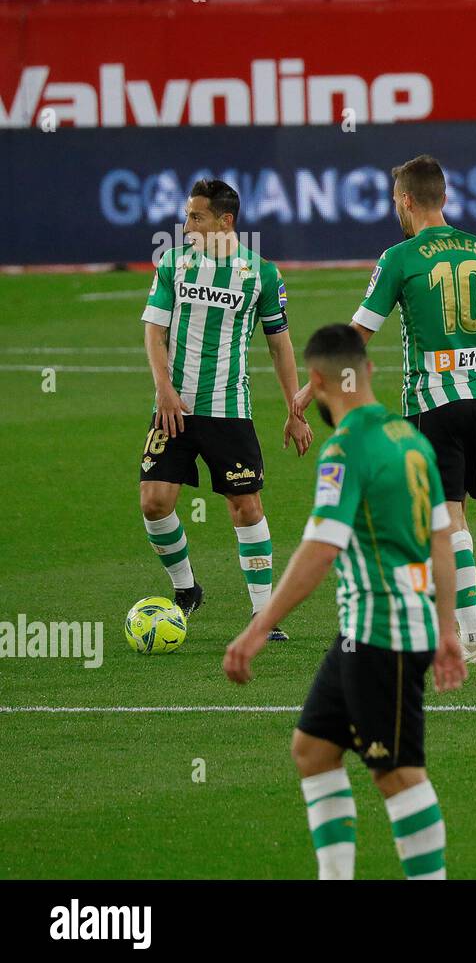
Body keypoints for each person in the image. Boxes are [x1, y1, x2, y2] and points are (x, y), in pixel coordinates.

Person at [225, 323, 467, 879]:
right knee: (313, 749)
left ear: (314, 380)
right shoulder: (412, 440)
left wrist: (261, 625)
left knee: (397, 774)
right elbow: (441, 540)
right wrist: (448, 626)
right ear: (370, 368)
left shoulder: (344, 448)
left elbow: (320, 548)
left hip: (384, 630)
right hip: (370, 629)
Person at [296, 155, 476, 665]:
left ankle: (470, 637)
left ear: (406, 200)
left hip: (434, 402)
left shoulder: (400, 257)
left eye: (394, 202)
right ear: (443, 197)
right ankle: (438, 619)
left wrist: (308, 387)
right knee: (451, 511)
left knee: (443, 517)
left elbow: (357, 335)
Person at [140, 178, 313, 640]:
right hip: (173, 408)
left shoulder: (262, 273)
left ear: (225, 221)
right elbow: (154, 332)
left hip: (228, 408)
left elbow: (281, 346)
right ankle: (187, 588)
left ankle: (264, 615)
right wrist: (164, 389)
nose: (186, 225)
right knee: (154, 502)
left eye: (195, 217)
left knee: (245, 506)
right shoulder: (173, 264)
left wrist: (295, 408)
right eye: (187, 216)